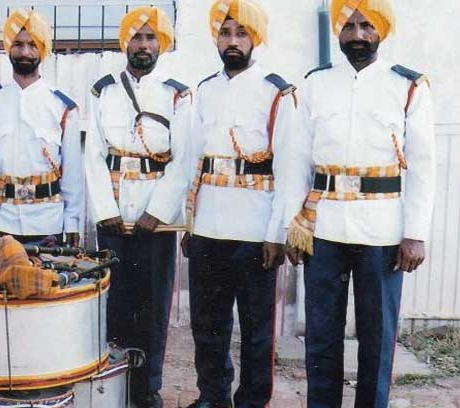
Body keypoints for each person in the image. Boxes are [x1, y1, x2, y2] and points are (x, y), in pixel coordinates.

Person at [283, 1, 435, 406]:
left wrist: (414, 234)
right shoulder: (316, 84)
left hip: (382, 231)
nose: (357, 35)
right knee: (321, 335)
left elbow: (422, 166)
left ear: (380, 30)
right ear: (338, 31)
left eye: (366, 25)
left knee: (378, 338)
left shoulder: (407, 86)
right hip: (324, 228)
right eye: (348, 26)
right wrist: (292, 226)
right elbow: (297, 160)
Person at [182, 1, 296, 407]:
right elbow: (191, 161)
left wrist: (277, 233)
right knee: (207, 325)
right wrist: (189, 224)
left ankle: (251, 400)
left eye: (241, 34)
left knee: (256, 329)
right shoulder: (205, 90)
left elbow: (289, 168)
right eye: (225, 33)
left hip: (255, 229)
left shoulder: (276, 92)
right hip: (209, 226)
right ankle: (213, 396)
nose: (232, 42)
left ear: (255, 39)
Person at [83, 6, 191, 407]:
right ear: (124, 42)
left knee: (152, 307)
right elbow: (92, 153)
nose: (142, 45)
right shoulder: (103, 91)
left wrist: (158, 210)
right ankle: (113, 388)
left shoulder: (176, 94)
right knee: (114, 305)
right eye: (136, 37)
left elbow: (183, 158)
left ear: (161, 44)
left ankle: (148, 390)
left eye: (151, 38)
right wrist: (104, 208)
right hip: (113, 215)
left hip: (153, 221)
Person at [0, 9, 83, 246]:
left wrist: (72, 223)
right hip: (0, 219)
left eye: (32, 44)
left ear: (43, 49)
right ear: (9, 47)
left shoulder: (61, 105)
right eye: (18, 44)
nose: (25, 52)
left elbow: (73, 176)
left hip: (48, 220)